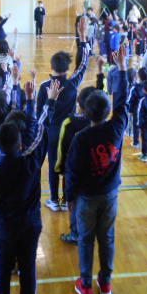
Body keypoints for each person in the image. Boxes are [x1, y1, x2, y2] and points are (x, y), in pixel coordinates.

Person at [0, 78, 59, 294]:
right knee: (28, 265)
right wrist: (47, 101)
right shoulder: (32, 161)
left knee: (3, 266)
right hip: (30, 222)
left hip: (4, 225)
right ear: (21, 142)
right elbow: (41, 128)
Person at [65, 44, 129, 294]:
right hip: (110, 195)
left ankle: (86, 284)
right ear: (107, 112)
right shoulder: (117, 128)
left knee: (86, 240)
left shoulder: (81, 138)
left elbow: (72, 172)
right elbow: (123, 101)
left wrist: (70, 199)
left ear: (84, 112)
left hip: (86, 198)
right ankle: (106, 282)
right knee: (107, 238)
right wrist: (122, 69)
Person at [37, 16, 90, 212]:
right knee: (68, 164)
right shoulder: (73, 83)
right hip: (70, 130)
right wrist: (83, 37)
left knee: (53, 165)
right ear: (68, 68)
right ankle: (67, 199)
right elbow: (84, 63)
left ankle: (53, 199)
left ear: (52, 67)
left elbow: (39, 115)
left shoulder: (44, 87)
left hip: (52, 133)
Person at [55, 85, 97, 245]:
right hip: (94, 172)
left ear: (78, 102)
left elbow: (62, 148)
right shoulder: (98, 123)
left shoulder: (69, 123)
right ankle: (90, 231)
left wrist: (60, 168)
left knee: (72, 203)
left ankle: (75, 233)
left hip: (73, 173)